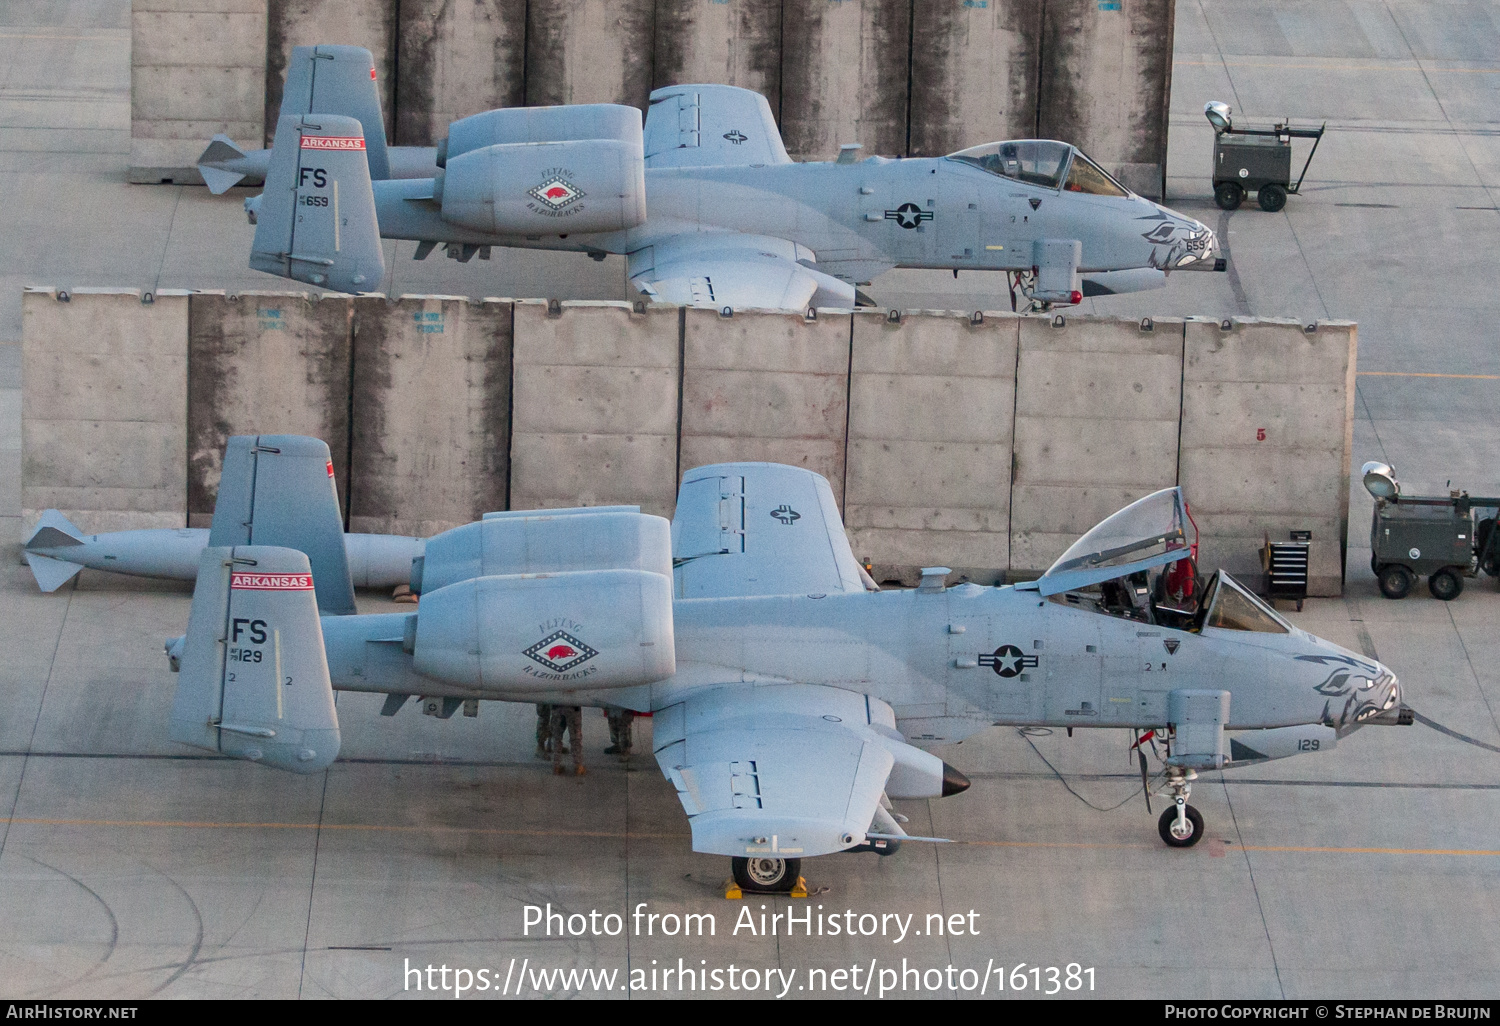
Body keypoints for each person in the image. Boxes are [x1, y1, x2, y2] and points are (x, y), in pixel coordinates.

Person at [550, 705, 585, 776]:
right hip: (573, 706)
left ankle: (556, 766)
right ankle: (578, 766)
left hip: (557, 705)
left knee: (557, 737)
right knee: (575, 737)